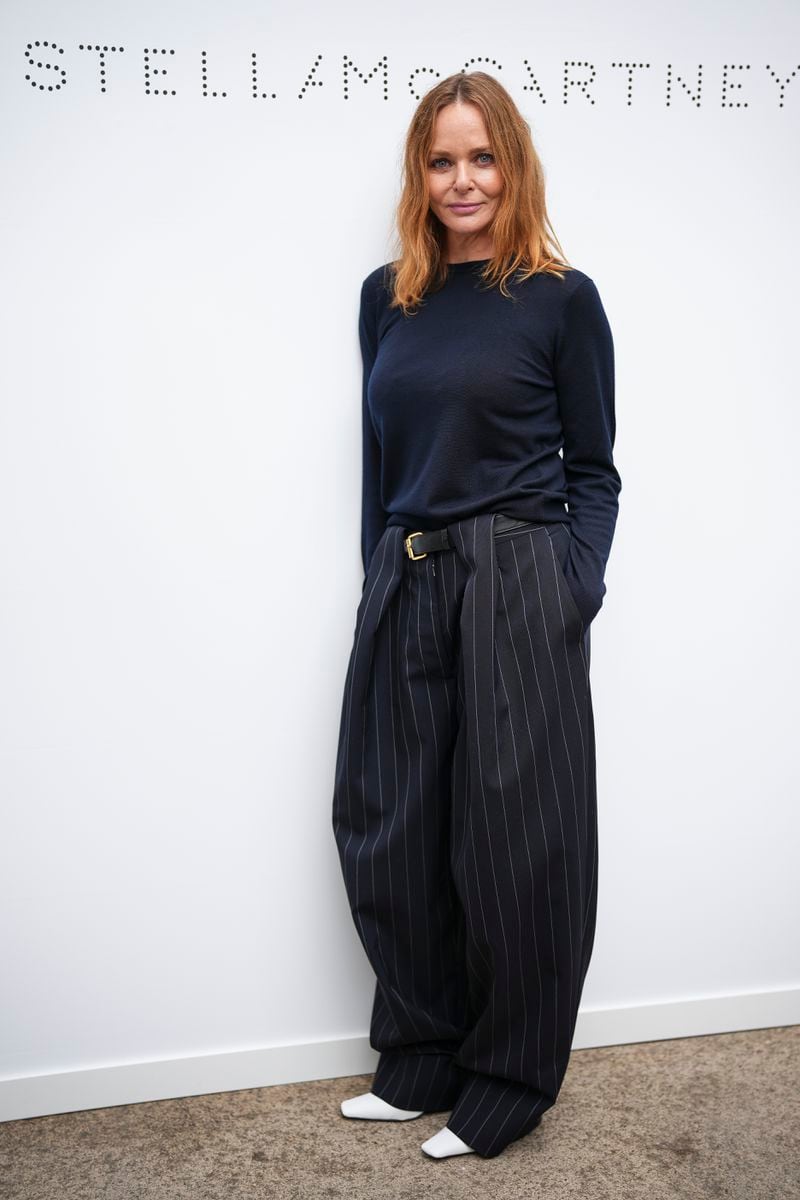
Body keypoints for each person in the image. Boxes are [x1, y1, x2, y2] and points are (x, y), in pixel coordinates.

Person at [331, 70, 622, 1162]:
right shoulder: (385, 298)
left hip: (515, 578)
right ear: (421, 173)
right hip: (406, 576)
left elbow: (592, 469)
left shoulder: (558, 297)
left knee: (514, 848)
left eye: (481, 157)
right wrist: (376, 572)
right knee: (389, 826)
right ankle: (417, 1061)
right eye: (441, 159)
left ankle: (505, 1081)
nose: (462, 179)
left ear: (513, 166)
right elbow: (378, 459)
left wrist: (567, 588)